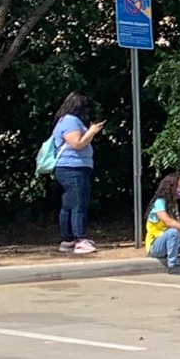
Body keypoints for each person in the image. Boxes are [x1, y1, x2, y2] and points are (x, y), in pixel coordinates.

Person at [49, 92, 103, 255]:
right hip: (73, 167)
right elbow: (77, 143)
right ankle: (80, 239)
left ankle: (68, 239)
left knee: (69, 204)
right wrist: (92, 131)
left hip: (70, 167)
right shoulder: (71, 121)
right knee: (79, 203)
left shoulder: (64, 120)